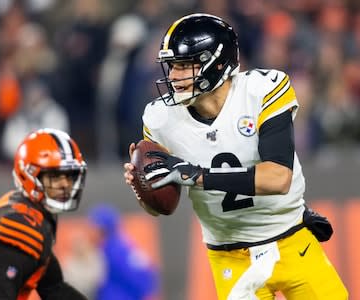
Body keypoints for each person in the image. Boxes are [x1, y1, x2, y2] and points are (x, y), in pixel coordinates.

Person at [123, 13, 348, 299]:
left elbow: (278, 177)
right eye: (171, 66)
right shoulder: (160, 118)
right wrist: (144, 188)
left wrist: (197, 176)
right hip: (230, 256)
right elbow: (161, 208)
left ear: (217, 63)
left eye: (184, 65)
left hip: (290, 238)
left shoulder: (261, 91)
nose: (173, 76)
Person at [0, 128, 88, 300]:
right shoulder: (20, 225)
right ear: (29, 174)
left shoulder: (32, 214)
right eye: (55, 176)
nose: (65, 184)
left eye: (69, 175)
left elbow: (54, 288)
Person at [87, 204, 159, 300]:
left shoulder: (112, 250)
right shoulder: (123, 245)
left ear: (102, 229)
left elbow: (143, 279)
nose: (89, 232)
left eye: (93, 227)